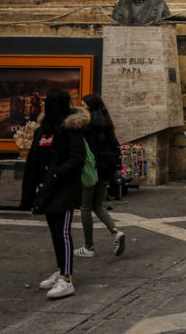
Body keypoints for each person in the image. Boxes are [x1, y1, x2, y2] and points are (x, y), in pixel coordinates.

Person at [21, 89, 88, 300]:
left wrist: (58, 174)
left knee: (64, 232)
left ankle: (66, 279)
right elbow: (33, 160)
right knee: (54, 231)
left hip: (64, 188)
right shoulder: (42, 131)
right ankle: (61, 268)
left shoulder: (71, 129)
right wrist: (29, 191)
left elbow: (77, 159)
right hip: (47, 188)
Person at [75, 94, 126, 258]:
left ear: (89, 107)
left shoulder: (86, 124)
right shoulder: (107, 123)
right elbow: (114, 145)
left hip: (91, 169)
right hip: (105, 169)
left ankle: (88, 246)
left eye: (83, 105)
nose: (82, 107)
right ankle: (115, 231)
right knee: (98, 206)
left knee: (85, 207)